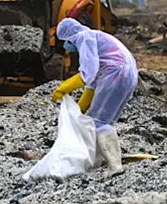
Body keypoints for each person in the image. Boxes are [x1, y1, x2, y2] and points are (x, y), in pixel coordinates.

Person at [52, 18, 138, 174]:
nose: (67, 46)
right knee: (101, 120)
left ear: (69, 36)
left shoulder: (84, 37)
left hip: (115, 74)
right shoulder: (97, 39)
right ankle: (96, 163)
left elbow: (88, 74)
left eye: (65, 41)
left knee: (99, 122)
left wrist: (63, 88)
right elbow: (92, 86)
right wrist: (79, 110)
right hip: (128, 75)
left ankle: (115, 166)